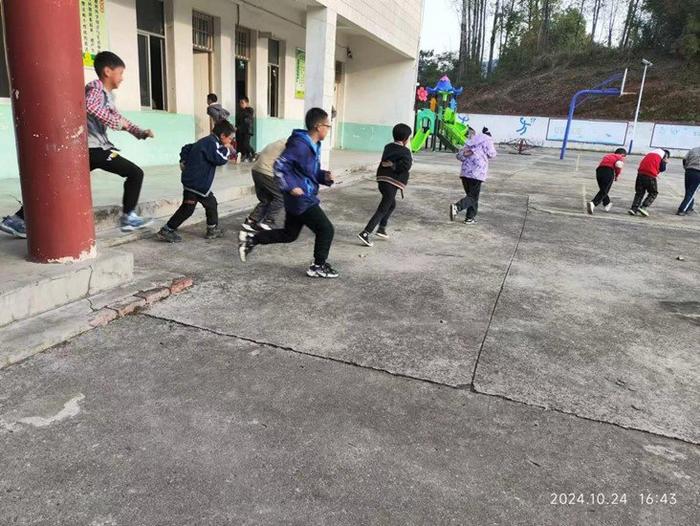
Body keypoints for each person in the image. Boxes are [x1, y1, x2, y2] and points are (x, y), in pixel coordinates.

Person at [1, 51, 154, 238]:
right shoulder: (96, 88)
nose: (122, 78)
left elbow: (119, 118)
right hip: (93, 149)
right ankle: (129, 217)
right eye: (120, 73)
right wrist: (115, 123)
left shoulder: (108, 96)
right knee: (135, 173)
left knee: (55, 185)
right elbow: (91, 106)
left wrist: (139, 132)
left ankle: (16, 220)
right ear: (107, 71)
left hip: (93, 149)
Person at [238, 108, 339, 279]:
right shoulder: (300, 144)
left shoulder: (315, 145)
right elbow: (279, 166)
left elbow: (309, 172)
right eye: (327, 126)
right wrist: (291, 186)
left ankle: (252, 239)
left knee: (289, 235)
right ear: (318, 126)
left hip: (300, 197)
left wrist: (324, 176)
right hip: (301, 199)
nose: (328, 130)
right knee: (326, 229)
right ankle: (318, 266)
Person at [157, 121, 235, 243]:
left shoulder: (207, 141)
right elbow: (220, 159)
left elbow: (187, 147)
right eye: (230, 139)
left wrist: (183, 159)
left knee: (204, 205)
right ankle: (167, 230)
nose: (231, 141)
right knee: (194, 207)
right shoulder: (211, 143)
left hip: (196, 183)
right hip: (196, 184)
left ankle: (211, 229)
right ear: (222, 136)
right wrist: (227, 150)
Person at [357, 123, 413, 247]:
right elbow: (406, 166)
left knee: (391, 204)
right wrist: (394, 166)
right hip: (391, 182)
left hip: (382, 180)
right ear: (406, 139)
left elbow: (387, 161)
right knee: (383, 208)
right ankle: (366, 233)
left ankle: (381, 228)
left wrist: (391, 164)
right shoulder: (405, 151)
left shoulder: (388, 147)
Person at [449, 127, 497, 224]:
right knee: (473, 197)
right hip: (477, 173)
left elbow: (459, 156)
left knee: (471, 196)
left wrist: (470, 153)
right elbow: (492, 154)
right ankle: (457, 207)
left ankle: (469, 218)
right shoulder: (488, 140)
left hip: (465, 173)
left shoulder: (471, 140)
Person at [241, 139, 286, 232]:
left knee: (266, 199)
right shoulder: (292, 145)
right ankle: (268, 221)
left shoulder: (279, 142)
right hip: (266, 172)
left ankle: (251, 221)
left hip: (256, 170)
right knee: (281, 197)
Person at [628, 148, 670, 217]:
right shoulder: (664, 155)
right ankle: (643, 207)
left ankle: (633, 209)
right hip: (650, 175)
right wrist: (665, 162)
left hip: (640, 174)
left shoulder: (651, 153)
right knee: (653, 192)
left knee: (639, 192)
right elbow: (662, 168)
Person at [587, 148, 627, 214]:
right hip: (608, 171)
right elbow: (618, 166)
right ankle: (593, 203)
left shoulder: (608, 155)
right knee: (605, 190)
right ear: (622, 154)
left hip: (599, 171)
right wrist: (616, 176)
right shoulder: (620, 157)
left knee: (603, 189)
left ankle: (607, 203)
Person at [677, 146, 700, 216]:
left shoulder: (694, 149)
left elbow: (684, 159)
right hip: (698, 173)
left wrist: (686, 167)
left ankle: (689, 207)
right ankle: (682, 209)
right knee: (691, 192)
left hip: (688, 171)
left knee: (688, 191)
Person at [235, 97, 256, 162]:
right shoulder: (240, 111)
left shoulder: (250, 110)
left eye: (242, 103)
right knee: (242, 144)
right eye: (240, 103)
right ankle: (248, 155)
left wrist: (238, 127)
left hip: (247, 130)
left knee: (245, 143)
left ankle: (253, 154)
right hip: (241, 130)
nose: (241, 104)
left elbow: (246, 121)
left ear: (247, 103)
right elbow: (239, 121)